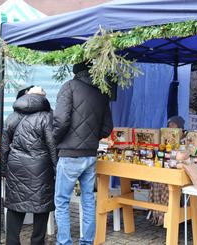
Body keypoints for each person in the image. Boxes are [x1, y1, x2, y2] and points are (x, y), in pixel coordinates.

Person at [53, 61, 113, 245]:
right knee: (88, 200)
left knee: (62, 201)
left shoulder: (68, 87)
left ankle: (64, 242)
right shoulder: (101, 92)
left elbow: (60, 121)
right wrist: (92, 136)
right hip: (90, 154)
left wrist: (54, 139)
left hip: (70, 154)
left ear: (75, 72)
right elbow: (107, 128)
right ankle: (87, 242)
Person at [1, 86, 57, 245]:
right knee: (42, 204)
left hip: (16, 166)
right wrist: (56, 168)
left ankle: (12, 241)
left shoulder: (11, 117)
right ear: (42, 99)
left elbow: (4, 147)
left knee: (15, 204)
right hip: (41, 167)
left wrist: (4, 170)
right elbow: (52, 146)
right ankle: (37, 241)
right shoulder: (47, 117)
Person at [149, 115, 185, 226]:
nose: (170, 127)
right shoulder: (165, 139)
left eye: (173, 124)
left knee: (167, 185)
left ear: (180, 127)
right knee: (156, 182)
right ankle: (158, 214)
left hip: (178, 171)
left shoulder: (185, 140)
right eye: (169, 125)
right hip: (166, 168)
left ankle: (167, 216)